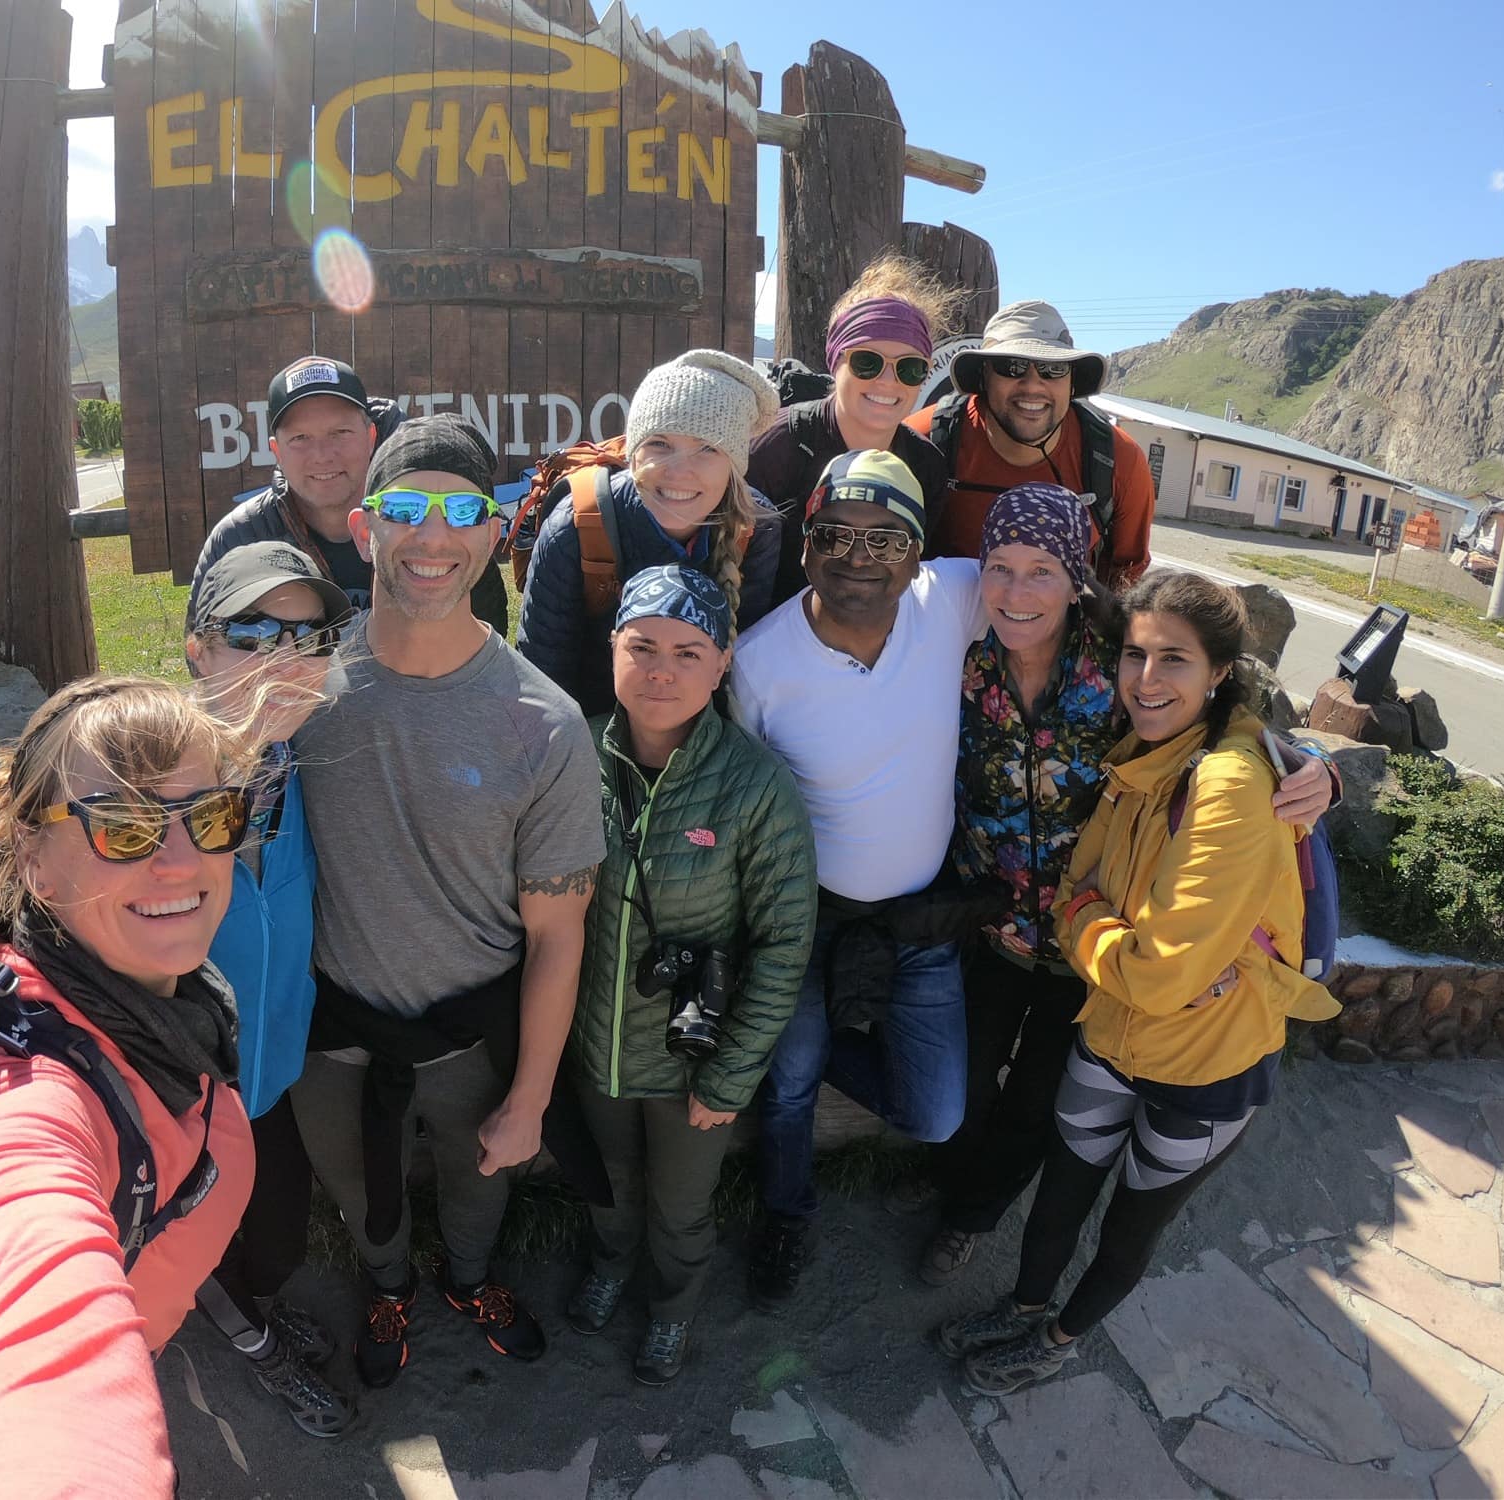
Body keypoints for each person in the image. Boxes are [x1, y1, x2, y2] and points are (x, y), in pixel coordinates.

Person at [919, 486, 1337, 1288]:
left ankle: (969, 1219)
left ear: (1076, 579)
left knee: (1037, 1106)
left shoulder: (1117, 667)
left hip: (1095, 946)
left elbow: (1221, 721)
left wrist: (1313, 771)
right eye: (998, 569)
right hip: (992, 926)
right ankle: (952, 1186)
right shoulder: (968, 668)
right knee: (960, 1088)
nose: (1014, 592)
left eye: (1040, 570)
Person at [290, 414, 607, 1389]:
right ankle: (388, 1288)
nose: (431, 535)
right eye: (406, 508)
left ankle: (469, 1281)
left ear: (491, 534)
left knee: (481, 1198)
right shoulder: (299, 690)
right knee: (357, 1200)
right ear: (362, 526)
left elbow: (558, 938)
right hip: (334, 1039)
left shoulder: (543, 726)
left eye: (460, 509)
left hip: (477, 1036)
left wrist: (530, 1097)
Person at [0, 676, 260, 1496]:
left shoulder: (139, 988)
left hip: (145, 1320)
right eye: (125, 827)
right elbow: (45, 1321)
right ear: (34, 860)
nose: (182, 860)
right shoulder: (17, 1088)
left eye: (209, 816)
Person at [727, 448, 986, 1307]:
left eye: (885, 541)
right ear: (804, 546)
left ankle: (823, 1030)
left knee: (936, 1118)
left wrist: (1272, 736)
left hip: (918, 924)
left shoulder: (952, 599)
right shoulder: (761, 664)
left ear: (919, 555)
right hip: (805, 920)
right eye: (835, 535)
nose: (857, 558)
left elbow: (1095, 612)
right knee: (790, 1082)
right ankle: (785, 1215)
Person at [565, 566, 816, 1384]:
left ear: (723, 661)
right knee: (609, 1184)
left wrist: (733, 1073)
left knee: (679, 1206)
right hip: (595, 1047)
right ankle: (607, 1264)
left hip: (689, 1066)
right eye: (641, 647)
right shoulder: (573, 757)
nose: (661, 670)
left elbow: (783, 943)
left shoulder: (754, 784)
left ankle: (671, 1308)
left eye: (688, 650)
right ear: (613, 651)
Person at [182, 541, 357, 1437]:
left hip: (269, 1075)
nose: (286, 659)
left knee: (278, 1232)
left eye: (308, 635)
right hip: (181, 1102)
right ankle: (254, 1348)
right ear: (197, 651)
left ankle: (256, 1304)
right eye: (253, 632)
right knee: (201, 1248)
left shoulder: (293, 766)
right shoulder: (151, 794)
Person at [517, 349, 782, 714]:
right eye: (660, 443)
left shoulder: (756, 531)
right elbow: (542, 680)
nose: (678, 471)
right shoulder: (576, 527)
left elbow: (742, 677)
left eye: (707, 448)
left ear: (735, 465)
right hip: (589, 735)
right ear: (634, 453)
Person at [187, 354, 508, 633]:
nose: (322, 455)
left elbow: (483, 631)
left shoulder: (437, 529)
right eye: (300, 438)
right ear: (277, 451)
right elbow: (208, 655)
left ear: (370, 436)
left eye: (339, 433)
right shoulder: (240, 537)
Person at [747, 253, 957, 609]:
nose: (888, 381)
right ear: (835, 362)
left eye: (909, 368)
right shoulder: (778, 446)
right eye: (867, 362)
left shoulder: (926, 466)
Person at [902, 300, 1154, 587]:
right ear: (984, 375)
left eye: (1053, 368)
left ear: (1072, 382)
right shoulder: (922, 443)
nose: (1033, 386)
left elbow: (1126, 578)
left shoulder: (1119, 461)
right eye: (1012, 366)